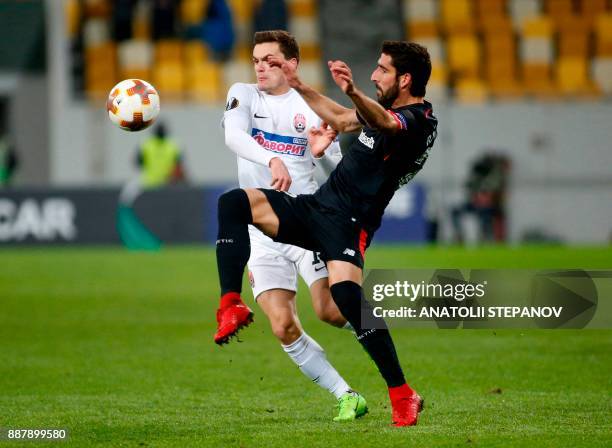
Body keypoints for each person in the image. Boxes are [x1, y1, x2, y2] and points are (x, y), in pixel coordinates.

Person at [214, 39, 438, 426]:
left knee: (344, 300)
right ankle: (230, 302)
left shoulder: (418, 119)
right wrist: (300, 86)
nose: (373, 74)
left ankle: (402, 392)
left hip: (351, 223)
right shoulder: (384, 110)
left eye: (382, 69)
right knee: (233, 203)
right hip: (317, 207)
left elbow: (383, 123)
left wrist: (352, 91)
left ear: (405, 79)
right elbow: (343, 119)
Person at [217, 30, 367, 422]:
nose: (261, 67)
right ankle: (345, 394)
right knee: (283, 325)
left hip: (306, 226)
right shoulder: (245, 94)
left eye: (270, 60)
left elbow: (340, 175)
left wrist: (322, 155)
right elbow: (233, 135)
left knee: (331, 312)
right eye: (256, 60)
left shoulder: (313, 106)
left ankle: (376, 330)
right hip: (260, 232)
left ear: (292, 64)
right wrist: (271, 160)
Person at [135, 122, 185, 188]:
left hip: (149, 183)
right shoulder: (173, 146)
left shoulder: (146, 145)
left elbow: (138, 162)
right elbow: (179, 166)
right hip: (166, 184)